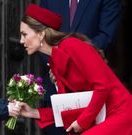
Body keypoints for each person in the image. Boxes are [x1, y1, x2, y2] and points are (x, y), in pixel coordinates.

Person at [18, 4, 132, 135]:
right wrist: (33, 112)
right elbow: (68, 107)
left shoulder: (72, 45)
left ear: (41, 34)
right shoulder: (55, 61)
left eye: (24, 34)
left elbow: (103, 86)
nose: (21, 41)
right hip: (101, 117)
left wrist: (82, 121)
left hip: (120, 113)